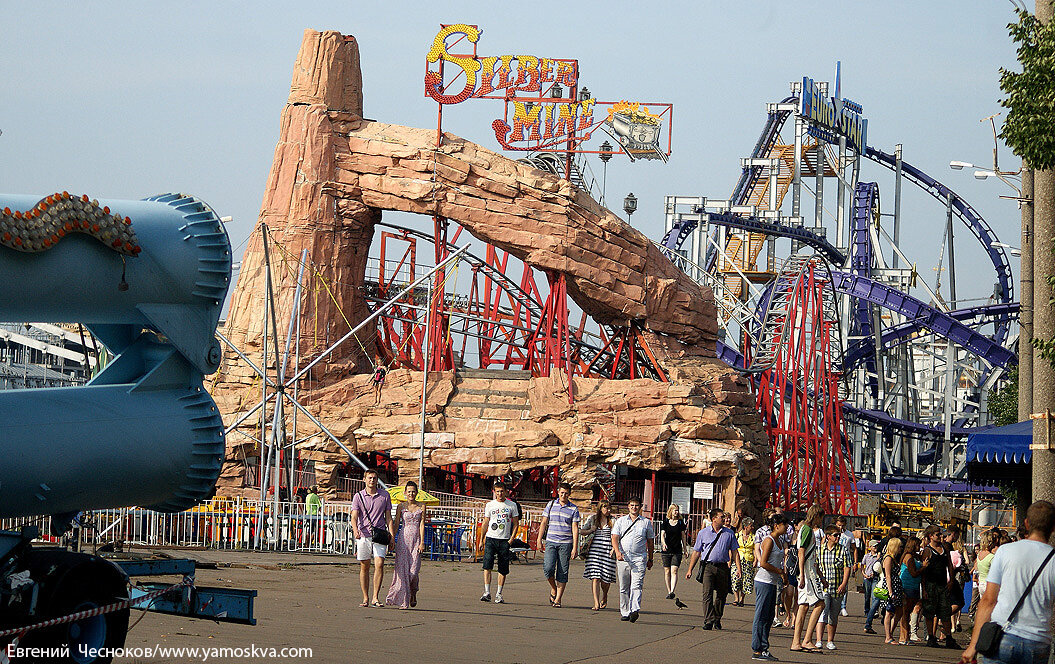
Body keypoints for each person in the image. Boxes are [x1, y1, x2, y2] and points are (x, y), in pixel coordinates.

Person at [960, 500, 1055, 664]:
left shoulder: (1005, 551)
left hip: (1002, 637)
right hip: (1037, 642)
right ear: (1053, 527)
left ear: (1026, 523)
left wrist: (974, 645)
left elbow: (988, 600)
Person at [685, 507, 740, 630]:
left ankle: (717, 617)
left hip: (723, 567)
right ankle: (708, 620)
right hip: (708, 567)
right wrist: (690, 569)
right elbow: (696, 552)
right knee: (707, 594)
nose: (725, 519)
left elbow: (735, 552)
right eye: (722, 517)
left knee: (722, 594)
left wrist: (738, 568)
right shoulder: (703, 533)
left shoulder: (729, 533)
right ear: (714, 519)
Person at [350, 468, 394, 608]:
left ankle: (375, 597)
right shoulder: (358, 496)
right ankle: (365, 597)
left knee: (379, 563)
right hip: (363, 534)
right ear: (364, 479)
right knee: (365, 566)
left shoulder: (384, 495)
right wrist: (355, 529)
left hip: (379, 534)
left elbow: (388, 517)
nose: (372, 480)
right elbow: (354, 516)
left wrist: (392, 536)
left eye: (374, 478)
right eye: (369, 478)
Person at [536, 482, 580, 608]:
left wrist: (575, 547)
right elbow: (544, 522)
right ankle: (553, 588)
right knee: (548, 568)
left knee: (563, 571)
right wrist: (539, 539)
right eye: (561, 493)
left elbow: (575, 528)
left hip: (565, 543)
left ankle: (558, 599)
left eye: (566, 493)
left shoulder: (573, 509)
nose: (563, 495)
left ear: (569, 494)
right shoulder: (550, 505)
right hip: (551, 541)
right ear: (558, 492)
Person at [752, 514, 789, 661]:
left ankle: (764, 647)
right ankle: (757, 649)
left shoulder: (779, 540)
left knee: (768, 617)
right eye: (784, 524)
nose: (787, 527)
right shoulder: (769, 540)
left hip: (772, 582)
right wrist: (780, 572)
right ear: (776, 525)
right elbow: (763, 563)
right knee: (761, 615)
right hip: (764, 581)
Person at [611, 498, 655, 623]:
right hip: (623, 558)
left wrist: (650, 558)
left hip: (639, 558)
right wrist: (617, 552)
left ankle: (634, 609)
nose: (634, 508)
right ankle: (625, 611)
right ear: (628, 506)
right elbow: (614, 537)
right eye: (632, 505)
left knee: (637, 585)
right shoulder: (620, 521)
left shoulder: (646, 522)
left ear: (640, 507)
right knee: (624, 586)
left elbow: (650, 542)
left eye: (636, 506)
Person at [790, 504, 826, 653]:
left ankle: (796, 642)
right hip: (808, 573)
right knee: (820, 604)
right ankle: (807, 639)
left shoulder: (805, 529)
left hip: (808, 571)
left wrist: (821, 577)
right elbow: (802, 552)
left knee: (803, 606)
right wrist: (804, 575)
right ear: (816, 516)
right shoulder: (807, 530)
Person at [385, 481, 426, 609]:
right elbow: (396, 523)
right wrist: (392, 538)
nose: (411, 494)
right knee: (402, 571)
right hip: (403, 539)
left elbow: (422, 524)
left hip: (416, 540)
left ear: (416, 493)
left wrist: (422, 542)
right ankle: (404, 600)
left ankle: (413, 592)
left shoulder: (422, 506)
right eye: (409, 491)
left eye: (413, 491)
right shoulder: (401, 507)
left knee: (413, 571)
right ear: (405, 493)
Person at [814, 525, 852, 650]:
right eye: (835, 535)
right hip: (823, 587)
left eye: (839, 535)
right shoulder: (820, 550)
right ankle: (819, 640)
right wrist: (821, 579)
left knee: (833, 615)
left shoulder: (843, 550)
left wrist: (844, 584)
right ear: (828, 536)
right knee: (822, 614)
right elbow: (817, 566)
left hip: (837, 587)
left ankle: (830, 640)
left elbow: (847, 567)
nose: (838, 537)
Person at [920, 524, 958, 649]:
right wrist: (924, 589)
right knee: (930, 612)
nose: (941, 536)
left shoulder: (944, 549)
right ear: (931, 536)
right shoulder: (927, 550)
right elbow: (924, 571)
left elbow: (950, 565)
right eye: (938, 534)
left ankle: (949, 638)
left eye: (941, 533)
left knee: (945, 612)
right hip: (931, 585)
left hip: (942, 585)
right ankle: (931, 636)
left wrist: (951, 580)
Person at [480, 481, 519, 604]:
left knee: (502, 568)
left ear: (505, 491)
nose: (500, 494)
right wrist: (482, 539)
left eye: (502, 491)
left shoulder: (511, 505)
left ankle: (499, 593)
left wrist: (512, 538)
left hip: (504, 539)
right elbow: (486, 522)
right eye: (497, 491)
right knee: (487, 565)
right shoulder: (490, 505)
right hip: (491, 538)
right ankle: (487, 592)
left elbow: (516, 523)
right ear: (494, 492)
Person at [582, 500, 617, 611]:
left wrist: (614, 549)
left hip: (608, 551)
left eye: (609, 508)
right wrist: (591, 530)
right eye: (606, 508)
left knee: (606, 579)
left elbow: (617, 536)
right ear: (600, 508)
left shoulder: (613, 521)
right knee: (596, 577)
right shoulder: (593, 519)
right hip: (594, 551)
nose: (608, 510)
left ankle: (605, 595)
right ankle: (596, 603)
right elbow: (582, 531)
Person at [899, 536, 924, 644]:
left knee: (907, 612)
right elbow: (913, 573)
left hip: (913, 586)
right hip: (907, 586)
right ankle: (904, 637)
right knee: (906, 612)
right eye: (918, 545)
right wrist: (923, 567)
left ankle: (905, 637)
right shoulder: (908, 557)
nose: (920, 546)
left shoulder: (913, 556)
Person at [660, 503, 688, 601]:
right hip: (666, 550)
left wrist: (685, 549)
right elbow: (662, 534)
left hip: (677, 550)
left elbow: (683, 536)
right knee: (667, 571)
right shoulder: (666, 522)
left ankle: (672, 591)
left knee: (674, 570)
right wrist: (663, 543)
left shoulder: (680, 522)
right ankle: (668, 591)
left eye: (677, 510)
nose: (676, 512)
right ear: (670, 511)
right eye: (675, 510)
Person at [882, 537, 906, 645]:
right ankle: (888, 636)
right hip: (890, 587)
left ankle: (890, 633)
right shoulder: (888, 558)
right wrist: (890, 592)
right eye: (900, 546)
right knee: (889, 611)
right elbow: (888, 576)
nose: (901, 549)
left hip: (896, 586)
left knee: (899, 610)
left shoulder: (894, 558)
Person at [946, 525, 968, 633]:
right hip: (950, 578)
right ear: (953, 534)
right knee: (958, 601)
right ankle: (944, 617)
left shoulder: (947, 546)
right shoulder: (948, 546)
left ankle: (945, 629)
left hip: (950, 577)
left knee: (953, 601)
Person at [733, 517, 756, 607]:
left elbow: (755, 549)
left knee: (746, 580)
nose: (752, 527)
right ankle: (736, 598)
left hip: (748, 559)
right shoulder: (737, 536)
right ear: (746, 526)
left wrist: (755, 560)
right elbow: (733, 548)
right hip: (738, 559)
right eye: (751, 526)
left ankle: (742, 598)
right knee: (735, 578)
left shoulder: (753, 537)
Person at [862, 539, 882, 634]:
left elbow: (878, 566)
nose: (875, 548)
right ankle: (867, 611)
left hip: (874, 578)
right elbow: (862, 565)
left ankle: (873, 612)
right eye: (874, 546)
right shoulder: (867, 556)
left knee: (875, 596)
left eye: (876, 546)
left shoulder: (879, 557)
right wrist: (864, 574)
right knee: (867, 595)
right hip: (867, 577)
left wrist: (878, 558)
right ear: (870, 547)